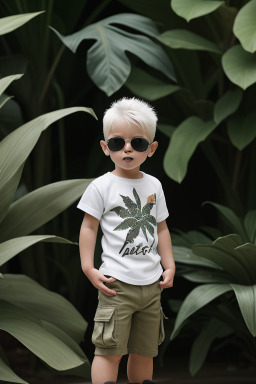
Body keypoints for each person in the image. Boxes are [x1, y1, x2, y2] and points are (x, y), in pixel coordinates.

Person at [78, 97, 175, 384]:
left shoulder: (154, 185)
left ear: (152, 149)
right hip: (116, 285)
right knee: (109, 350)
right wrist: (88, 268)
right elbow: (88, 228)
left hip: (151, 284)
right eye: (118, 143)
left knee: (145, 351)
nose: (128, 148)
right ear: (106, 148)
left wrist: (168, 265)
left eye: (138, 143)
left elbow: (162, 229)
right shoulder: (102, 186)